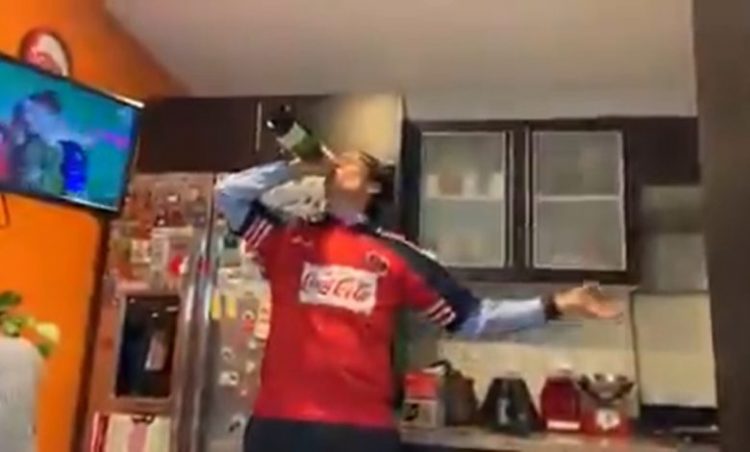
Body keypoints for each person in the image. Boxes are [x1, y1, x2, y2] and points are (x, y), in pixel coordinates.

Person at [215, 150, 622, 452]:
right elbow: (227, 195)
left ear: (373, 186)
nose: (339, 163)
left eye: (353, 162)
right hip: (280, 423)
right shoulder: (287, 237)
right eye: (336, 161)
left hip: (359, 432)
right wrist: (293, 168)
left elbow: (473, 318)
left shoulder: (399, 255)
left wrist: (559, 304)